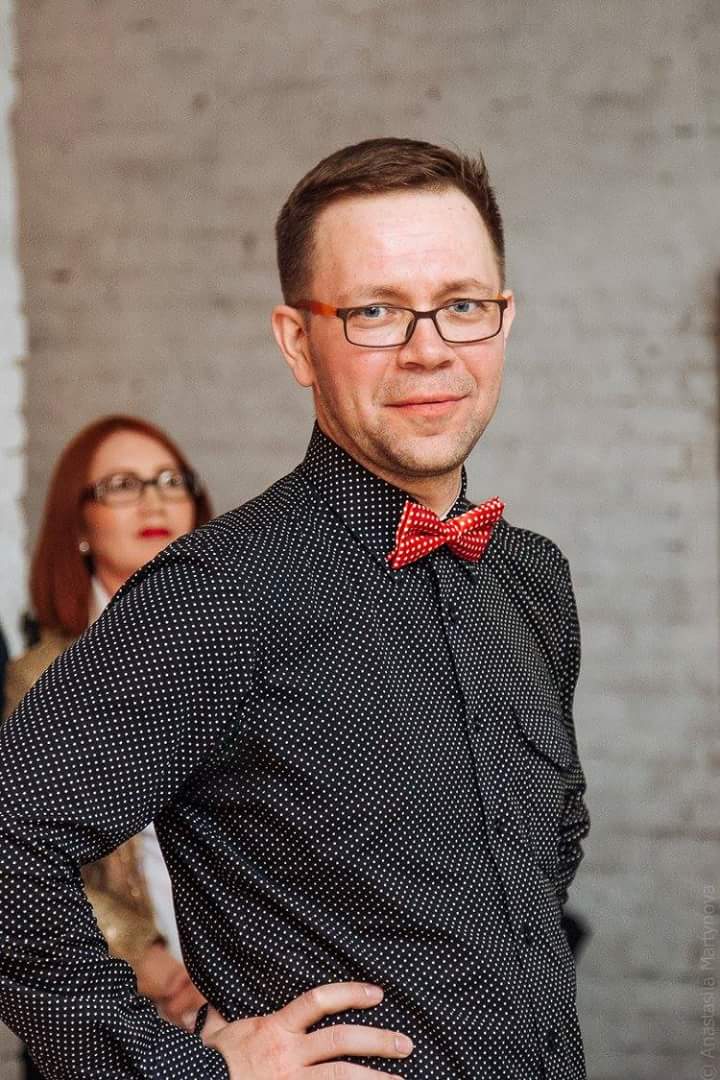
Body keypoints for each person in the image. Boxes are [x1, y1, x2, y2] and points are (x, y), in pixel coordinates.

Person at [0, 138, 590, 1079]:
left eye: (463, 305)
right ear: (296, 342)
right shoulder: (218, 594)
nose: (429, 348)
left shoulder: (533, 581)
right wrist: (189, 1071)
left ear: (504, 319)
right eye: (374, 312)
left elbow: (546, 852)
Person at [3, 415, 214, 1036]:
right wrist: (148, 961)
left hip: (261, 968)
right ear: (78, 526)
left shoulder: (245, 643)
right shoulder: (40, 677)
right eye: (122, 485)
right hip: (120, 1000)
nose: (154, 501)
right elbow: (19, 855)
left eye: (170, 481)